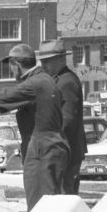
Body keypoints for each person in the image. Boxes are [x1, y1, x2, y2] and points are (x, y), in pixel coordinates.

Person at [0, 44, 69, 212]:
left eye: (10, 66)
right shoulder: (46, 79)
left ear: (16, 65)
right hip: (54, 146)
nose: (11, 71)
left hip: (40, 150)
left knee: (39, 207)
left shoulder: (33, 84)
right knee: (52, 204)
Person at [37, 38, 87, 195]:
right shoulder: (57, 80)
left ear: (60, 59)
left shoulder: (66, 82)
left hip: (67, 150)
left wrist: (52, 142)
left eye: (48, 61)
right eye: (42, 61)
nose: (44, 65)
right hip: (61, 148)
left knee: (65, 194)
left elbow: (67, 120)